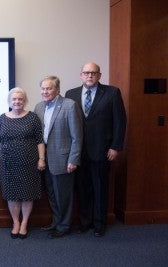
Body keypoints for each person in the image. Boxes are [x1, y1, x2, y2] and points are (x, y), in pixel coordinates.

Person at [65, 62, 126, 237]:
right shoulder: (71, 94)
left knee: (100, 189)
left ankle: (100, 224)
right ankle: (85, 222)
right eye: (86, 73)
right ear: (81, 75)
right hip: (78, 152)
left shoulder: (112, 93)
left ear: (99, 75)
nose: (89, 76)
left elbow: (120, 122)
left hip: (102, 150)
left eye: (93, 73)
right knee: (82, 189)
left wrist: (115, 146)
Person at [0, 87, 46, 239]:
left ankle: (24, 223)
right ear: (10, 101)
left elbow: (40, 141)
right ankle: (15, 222)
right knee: (12, 195)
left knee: (28, 195)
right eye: (14, 99)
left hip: (29, 163)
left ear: (25, 101)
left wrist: (41, 159)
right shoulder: (2, 118)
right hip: (8, 164)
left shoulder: (33, 118)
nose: (17, 102)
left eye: (20, 99)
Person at [34, 76, 83, 239]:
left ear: (58, 90)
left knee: (64, 194)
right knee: (51, 193)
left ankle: (64, 225)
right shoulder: (39, 107)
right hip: (44, 157)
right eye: (43, 88)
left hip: (63, 158)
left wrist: (73, 159)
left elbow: (77, 136)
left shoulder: (69, 105)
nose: (45, 92)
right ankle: (56, 221)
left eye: (49, 88)